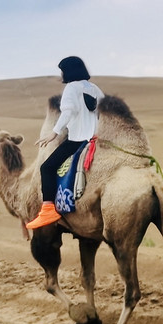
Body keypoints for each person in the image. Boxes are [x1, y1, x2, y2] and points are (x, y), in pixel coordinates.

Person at [25, 56, 104, 230]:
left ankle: (48, 209)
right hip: (96, 140)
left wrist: (54, 133)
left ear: (68, 71)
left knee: (47, 167)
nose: (61, 74)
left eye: (62, 70)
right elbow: (104, 112)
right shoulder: (95, 88)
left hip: (77, 140)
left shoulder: (71, 88)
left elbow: (67, 112)